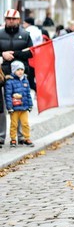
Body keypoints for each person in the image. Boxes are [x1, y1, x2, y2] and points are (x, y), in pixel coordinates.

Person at [0, 9, 33, 147]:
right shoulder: (0, 34)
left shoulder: (25, 35)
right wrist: (3, 54)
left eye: (13, 19)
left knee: (20, 105)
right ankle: (1, 136)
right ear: (5, 20)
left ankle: (21, 136)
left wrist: (15, 54)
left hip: (19, 76)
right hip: (3, 74)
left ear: (18, 20)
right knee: (1, 106)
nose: (11, 21)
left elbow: (31, 52)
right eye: (8, 19)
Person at [5, 60, 33, 146]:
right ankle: (13, 139)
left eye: (22, 69)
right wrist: (9, 107)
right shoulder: (10, 81)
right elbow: (8, 95)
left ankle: (27, 138)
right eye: (18, 70)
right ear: (14, 71)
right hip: (14, 108)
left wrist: (30, 104)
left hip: (24, 107)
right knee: (14, 124)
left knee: (25, 123)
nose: (20, 71)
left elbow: (28, 94)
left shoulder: (25, 80)